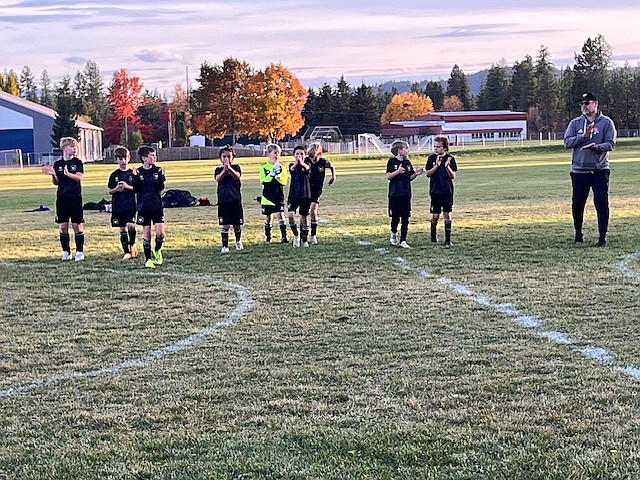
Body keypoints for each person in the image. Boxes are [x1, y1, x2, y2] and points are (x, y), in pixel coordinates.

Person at [564, 92, 616, 247]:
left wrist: (596, 147)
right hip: (579, 170)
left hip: (599, 170)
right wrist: (583, 137)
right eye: (582, 104)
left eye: (587, 103)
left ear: (596, 104)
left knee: (601, 203)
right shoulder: (575, 123)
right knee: (577, 204)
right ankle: (578, 234)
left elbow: (611, 144)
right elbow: (567, 142)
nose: (584, 106)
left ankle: (602, 237)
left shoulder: (606, 123)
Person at [41, 137, 86, 261]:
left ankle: (79, 252)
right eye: (72, 147)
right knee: (63, 226)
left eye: (76, 147)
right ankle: (66, 251)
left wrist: (68, 174)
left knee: (77, 225)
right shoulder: (58, 164)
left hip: (75, 198)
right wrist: (54, 174)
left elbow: (79, 177)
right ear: (65, 148)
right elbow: (56, 182)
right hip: (62, 199)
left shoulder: (77, 163)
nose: (75, 149)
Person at [133, 145, 166, 268]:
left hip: (157, 206)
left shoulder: (157, 170)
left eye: (155, 155)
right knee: (146, 233)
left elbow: (160, 188)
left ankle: (157, 250)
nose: (155, 157)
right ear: (144, 158)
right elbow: (136, 189)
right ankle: (148, 259)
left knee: (160, 234)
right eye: (152, 155)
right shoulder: (138, 171)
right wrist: (135, 177)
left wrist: (161, 178)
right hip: (144, 207)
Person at [386, 140, 423, 248]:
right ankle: (393, 232)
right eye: (405, 148)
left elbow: (409, 177)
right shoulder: (392, 162)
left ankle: (403, 240)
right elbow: (389, 176)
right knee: (396, 217)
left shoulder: (407, 163)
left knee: (405, 218)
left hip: (406, 194)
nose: (407, 151)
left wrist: (416, 173)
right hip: (395, 194)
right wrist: (397, 171)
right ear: (399, 151)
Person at [425, 136, 458, 247]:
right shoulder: (431, 158)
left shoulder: (450, 159)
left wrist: (447, 166)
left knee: (447, 214)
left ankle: (448, 240)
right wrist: (436, 166)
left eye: (438, 147)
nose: (436, 149)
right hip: (435, 191)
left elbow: (453, 175)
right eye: (434, 146)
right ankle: (433, 237)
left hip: (447, 191)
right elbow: (428, 174)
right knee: (435, 216)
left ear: (445, 148)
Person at [107, 146, 138, 260]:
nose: (123, 161)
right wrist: (117, 189)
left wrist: (127, 187)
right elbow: (110, 191)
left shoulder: (133, 173)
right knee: (122, 228)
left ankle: (132, 244)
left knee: (131, 225)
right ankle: (126, 252)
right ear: (116, 160)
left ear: (129, 158)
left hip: (130, 204)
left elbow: (137, 188)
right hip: (118, 205)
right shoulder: (114, 175)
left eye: (125, 158)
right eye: (120, 158)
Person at [214, 146, 244, 253]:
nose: (226, 158)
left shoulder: (236, 168)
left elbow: (237, 176)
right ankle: (225, 246)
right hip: (223, 201)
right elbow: (218, 179)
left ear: (233, 158)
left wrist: (229, 168)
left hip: (235, 200)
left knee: (237, 224)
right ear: (220, 158)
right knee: (225, 224)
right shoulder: (218, 170)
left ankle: (238, 241)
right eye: (224, 156)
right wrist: (224, 169)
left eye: (229, 156)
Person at [306, 141, 336, 244]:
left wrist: (333, 177)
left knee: (313, 211)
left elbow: (332, 166)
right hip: (305, 190)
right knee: (305, 213)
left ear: (319, 153)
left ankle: (313, 235)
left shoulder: (323, 162)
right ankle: (304, 233)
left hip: (317, 190)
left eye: (314, 156)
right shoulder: (306, 161)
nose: (312, 159)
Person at [259, 143, 289, 243]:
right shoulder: (263, 167)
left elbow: (284, 182)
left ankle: (284, 236)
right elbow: (263, 180)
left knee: (280, 214)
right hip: (267, 195)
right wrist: (271, 174)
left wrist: (278, 176)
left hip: (278, 194)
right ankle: (268, 237)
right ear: (269, 154)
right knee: (268, 217)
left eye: (279, 153)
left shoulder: (283, 167)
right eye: (275, 153)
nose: (277, 155)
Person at [287, 145, 312, 247]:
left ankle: (304, 239)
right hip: (293, 195)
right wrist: (297, 163)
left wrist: (302, 163)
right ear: (294, 155)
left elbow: (307, 168)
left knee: (304, 217)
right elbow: (292, 170)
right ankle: (296, 235)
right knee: (291, 216)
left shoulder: (306, 165)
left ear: (305, 155)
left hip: (305, 194)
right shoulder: (291, 165)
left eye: (301, 154)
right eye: (297, 154)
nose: (299, 156)